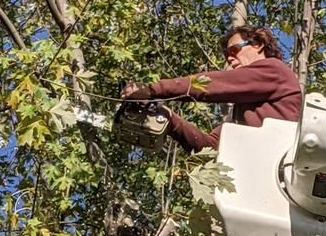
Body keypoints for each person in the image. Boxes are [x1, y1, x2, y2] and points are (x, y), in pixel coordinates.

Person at [120, 26, 302, 152]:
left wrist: (152, 90)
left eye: (234, 51)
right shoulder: (242, 114)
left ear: (258, 45)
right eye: (226, 55)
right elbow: (211, 147)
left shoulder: (274, 70)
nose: (229, 59)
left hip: (278, 168)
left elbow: (213, 84)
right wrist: (169, 119)